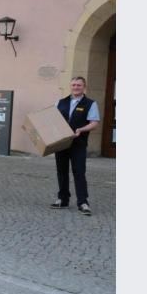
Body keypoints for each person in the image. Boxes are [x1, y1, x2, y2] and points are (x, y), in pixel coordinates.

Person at [50, 76, 100, 216]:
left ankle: (83, 202)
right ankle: (63, 199)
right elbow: (52, 120)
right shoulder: (60, 102)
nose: (76, 87)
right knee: (62, 171)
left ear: (84, 87)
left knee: (79, 172)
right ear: (70, 86)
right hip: (61, 143)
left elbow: (94, 123)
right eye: (73, 85)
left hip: (78, 143)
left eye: (79, 85)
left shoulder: (90, 103)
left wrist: (81, 130)